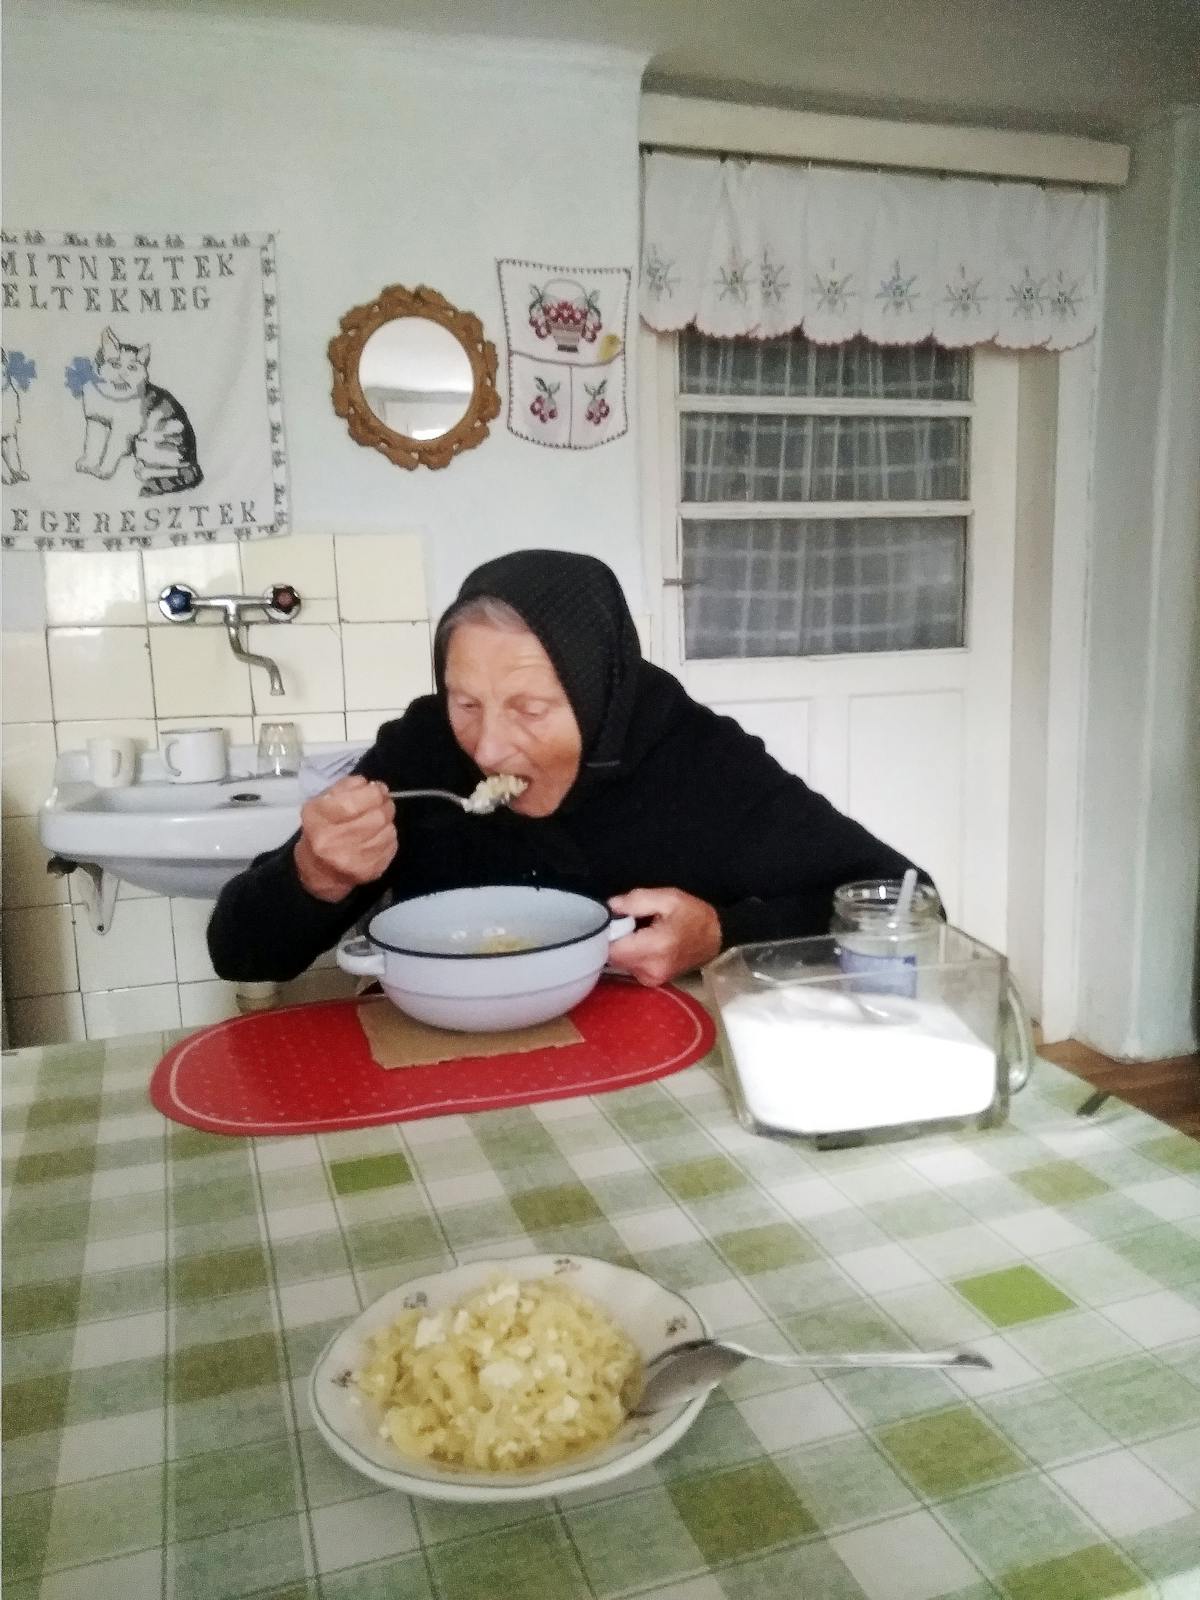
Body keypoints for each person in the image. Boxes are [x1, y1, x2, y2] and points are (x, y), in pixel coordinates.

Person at [208, 549, 929, 987]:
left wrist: (725, 935)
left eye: (529, 708)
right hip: (443, 1060)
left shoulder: (697, 759)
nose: (487, 749)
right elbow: (240, 955)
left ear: (601, 696)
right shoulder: (422, 749)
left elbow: (908, 901)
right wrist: (315, 874)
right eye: (466, 702)